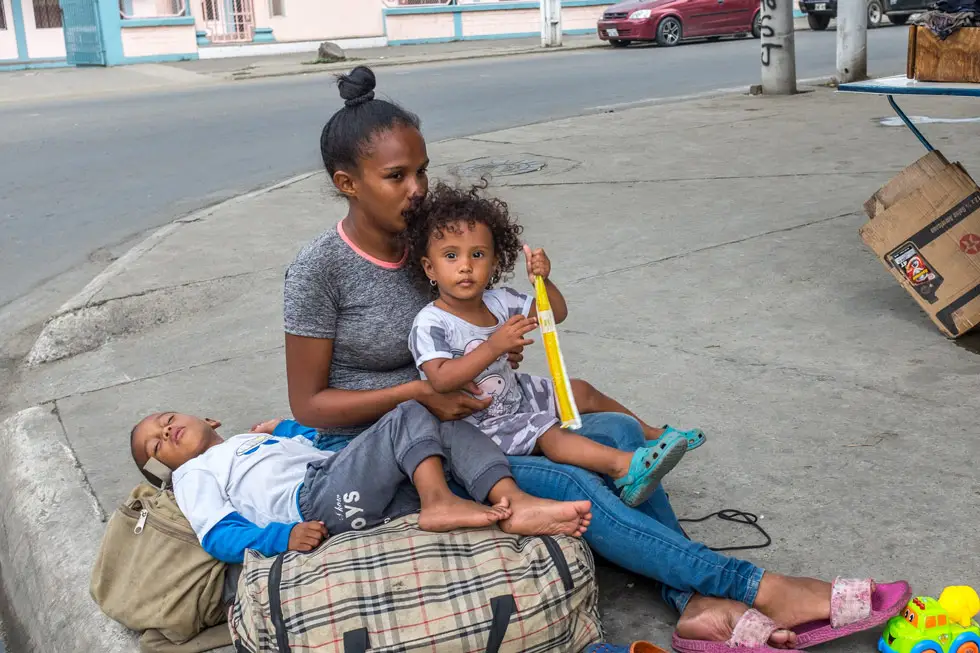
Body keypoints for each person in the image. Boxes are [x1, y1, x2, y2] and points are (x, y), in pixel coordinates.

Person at [282, 65, 910, 650]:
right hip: (402, 451)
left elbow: (519, 316)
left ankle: (692, 598)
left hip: (478, 418)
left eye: (422, 169)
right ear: (347, 183)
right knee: (577, 481)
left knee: (609, 431)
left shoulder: (440, 247)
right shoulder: (321, 270)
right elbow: (310, 405)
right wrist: (418, 395)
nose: (418, 190)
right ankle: (757, 588)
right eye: (397, 178)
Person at [403, 180, 689, 508]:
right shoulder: (431, 322)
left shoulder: (500, 301)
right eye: (451, 255)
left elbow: (555, 313)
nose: (465, 265)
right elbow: (439, 379)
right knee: (548, 431)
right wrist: (494, 347)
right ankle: (623, 466)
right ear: (430, 267)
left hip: (515, 394)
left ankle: (655, 435)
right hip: (475, 425)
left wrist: (543, 281)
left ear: (494, 263)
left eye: (478, 254)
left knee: (579, 391)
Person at [129, 408, 592, 564]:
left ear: (209, 419)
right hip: (315, 502)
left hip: (351, 491)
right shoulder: (194, 473)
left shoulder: (251, 441)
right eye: (155, 444)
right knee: (411, 412)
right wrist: (280, 537)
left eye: (166, 419)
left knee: (440, 427)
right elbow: (218, 533)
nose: (164, 431)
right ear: (164, 470)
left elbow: (338, 448)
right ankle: (437, 502)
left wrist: (285, 429)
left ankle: (514, 501)